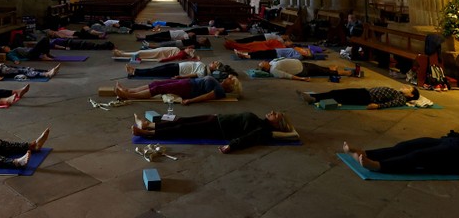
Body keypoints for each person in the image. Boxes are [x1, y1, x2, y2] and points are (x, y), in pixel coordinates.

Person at [132, 111, 290, 153]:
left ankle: (146, 133)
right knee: (180, 120)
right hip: (216, 119)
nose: (272, 112)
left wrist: (231, 146)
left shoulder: (262, 130)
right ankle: (148, 124)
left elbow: (247, 139)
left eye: (275, 115)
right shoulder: (261, 121)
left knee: (182, 129)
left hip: (217, 129)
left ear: (277, 124)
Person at [114, 74, 241, 104]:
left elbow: (206, 97)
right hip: (187, 82)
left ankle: (128, 95)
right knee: (156, 83)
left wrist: (190, 101)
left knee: (159, 89)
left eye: (230, 78)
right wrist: (181, 77)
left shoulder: (220, 91)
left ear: (231, 85)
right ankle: (129, 91)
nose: (227, 77)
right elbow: (199, 77)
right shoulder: (218, 83)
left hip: (188, 88)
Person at [297, 85, 419, 109]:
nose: (405, 87)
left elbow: (393, 104)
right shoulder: (397, 92)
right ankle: (313, 96)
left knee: (339, 96)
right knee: (337, 92)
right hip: (364, 92)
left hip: (366, 97)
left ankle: (313, 98)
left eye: (408, 88)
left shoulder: (402, 99)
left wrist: (378, 106)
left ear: (411, 95)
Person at [257, 58, 355, 81]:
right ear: (265, 68)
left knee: (319, 68)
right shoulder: (274, 71)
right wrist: (301, 79)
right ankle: (345, 73)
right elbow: (287, 76)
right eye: (263, 63)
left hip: (301, 64)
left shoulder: (271, 63)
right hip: (302, 70)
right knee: (323, 72)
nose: (264, 61)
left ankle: (332, 68)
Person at [125, 60, 226, 79]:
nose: (212, 62)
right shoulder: (205, 66)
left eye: (214, 63)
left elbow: (193, 75)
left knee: (154, 72)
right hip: (178, 65)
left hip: (177, 71)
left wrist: (180, 77)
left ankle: (135, 72)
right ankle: (136, 70)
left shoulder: (205, 72)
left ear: (215, 68)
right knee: (156, 68)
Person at [113, 45, 196, 62]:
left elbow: (172, 58)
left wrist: (163, 60)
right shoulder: (182, 52)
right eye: (189, 48)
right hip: (160, 50)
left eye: (190, 50)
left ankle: (121, 54)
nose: (188, 48)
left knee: (141, 53)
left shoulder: (181, 54)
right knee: (141, 53)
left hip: (159, 53)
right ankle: (124, 53)